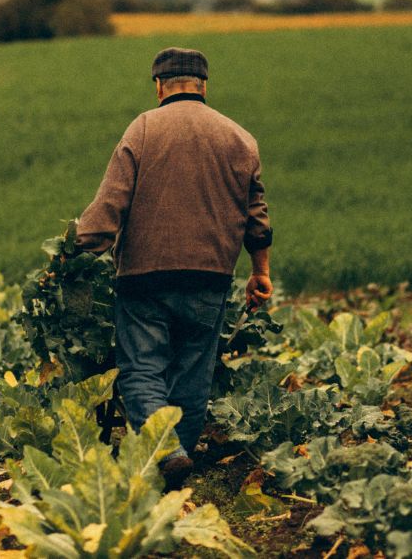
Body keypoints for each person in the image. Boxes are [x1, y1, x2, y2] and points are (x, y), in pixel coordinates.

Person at [76, 46, 273, 486]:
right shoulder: (239, 137)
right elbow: (257, 216)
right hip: (210, 276)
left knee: (142, 369)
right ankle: (175, 467)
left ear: (159, 85)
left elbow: (110, 204)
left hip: (144, 277)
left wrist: (75, 250)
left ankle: (166, 451)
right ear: (204, 85)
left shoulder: (143, 128)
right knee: (192, 372)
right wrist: (260, 271)